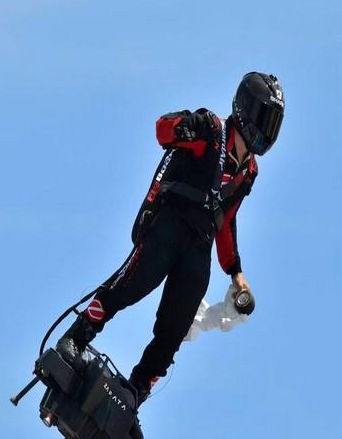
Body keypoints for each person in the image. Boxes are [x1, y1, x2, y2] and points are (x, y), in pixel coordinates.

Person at [55, 71, 285, 407]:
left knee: (176, 325)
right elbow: (163, 130)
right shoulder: (212, 130)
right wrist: (186, 125)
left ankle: (136, 390)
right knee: (132, 285)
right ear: (247, 110)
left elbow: (226, 221)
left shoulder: (249, 172)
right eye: (266, 119)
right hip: (170, 223)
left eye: (274, 123)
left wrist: (235, 272)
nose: (269, 131)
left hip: (200, 244)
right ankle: (77, 337)